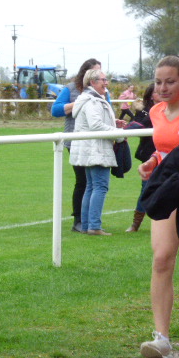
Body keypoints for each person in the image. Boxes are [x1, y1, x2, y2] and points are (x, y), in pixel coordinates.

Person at [137, 55, 179, 358]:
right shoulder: (156, 111)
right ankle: (162, 339)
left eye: (171, 82)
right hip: (167, 188)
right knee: (162, 258)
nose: (163, 88)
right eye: (159, 82)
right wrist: (152, 161)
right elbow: (163, 147)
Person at [69, 68, 126, 236]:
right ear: (92, 82)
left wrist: (113, 123)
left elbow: (94, 122)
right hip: (96, 149)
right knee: (100, 186)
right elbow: (95, 125)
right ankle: (94, 226)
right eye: (103, 80)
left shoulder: (87, 99)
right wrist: (119, 134)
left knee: (91, 187)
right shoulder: (92, 101)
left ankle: (87, 225)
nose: (106, 83)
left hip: (90, 149)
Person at [52, 58, 103, 233]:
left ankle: (90, 221)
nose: (99, 75)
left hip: (96, 141)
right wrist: (80, 103)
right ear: (86, 72)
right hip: (75, 141)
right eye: (95, 71)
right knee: (82, 180)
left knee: (95, 182)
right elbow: (55, 110)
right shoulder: (71, 88)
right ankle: (78, 220)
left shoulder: (102, 90)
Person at [124, 83, 158, 232]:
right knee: (146, 189)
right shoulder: (145, 111)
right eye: (156, 91)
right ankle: (135, 224)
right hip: (149, 154)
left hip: (170, 154)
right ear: (151, 96)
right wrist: (123, 130)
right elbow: (138, 126)